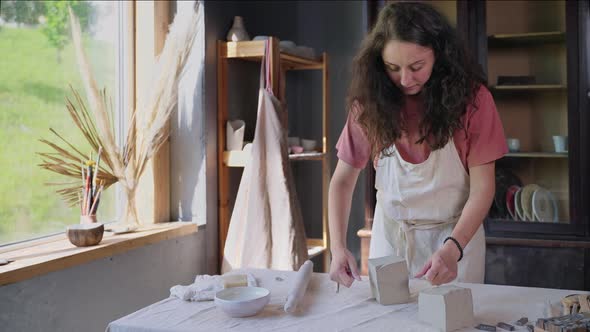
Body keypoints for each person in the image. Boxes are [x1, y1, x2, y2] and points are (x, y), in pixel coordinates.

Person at [328, 2, 508, 288]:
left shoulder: (473, 102)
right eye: (392, 68)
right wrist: (337, 248)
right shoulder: (370, 105)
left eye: (416, 66)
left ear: (439, 55)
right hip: (391, 240)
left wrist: (453, 249)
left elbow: (483, 188)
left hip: (455, 242)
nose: (405, 79)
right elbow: (342, 181)